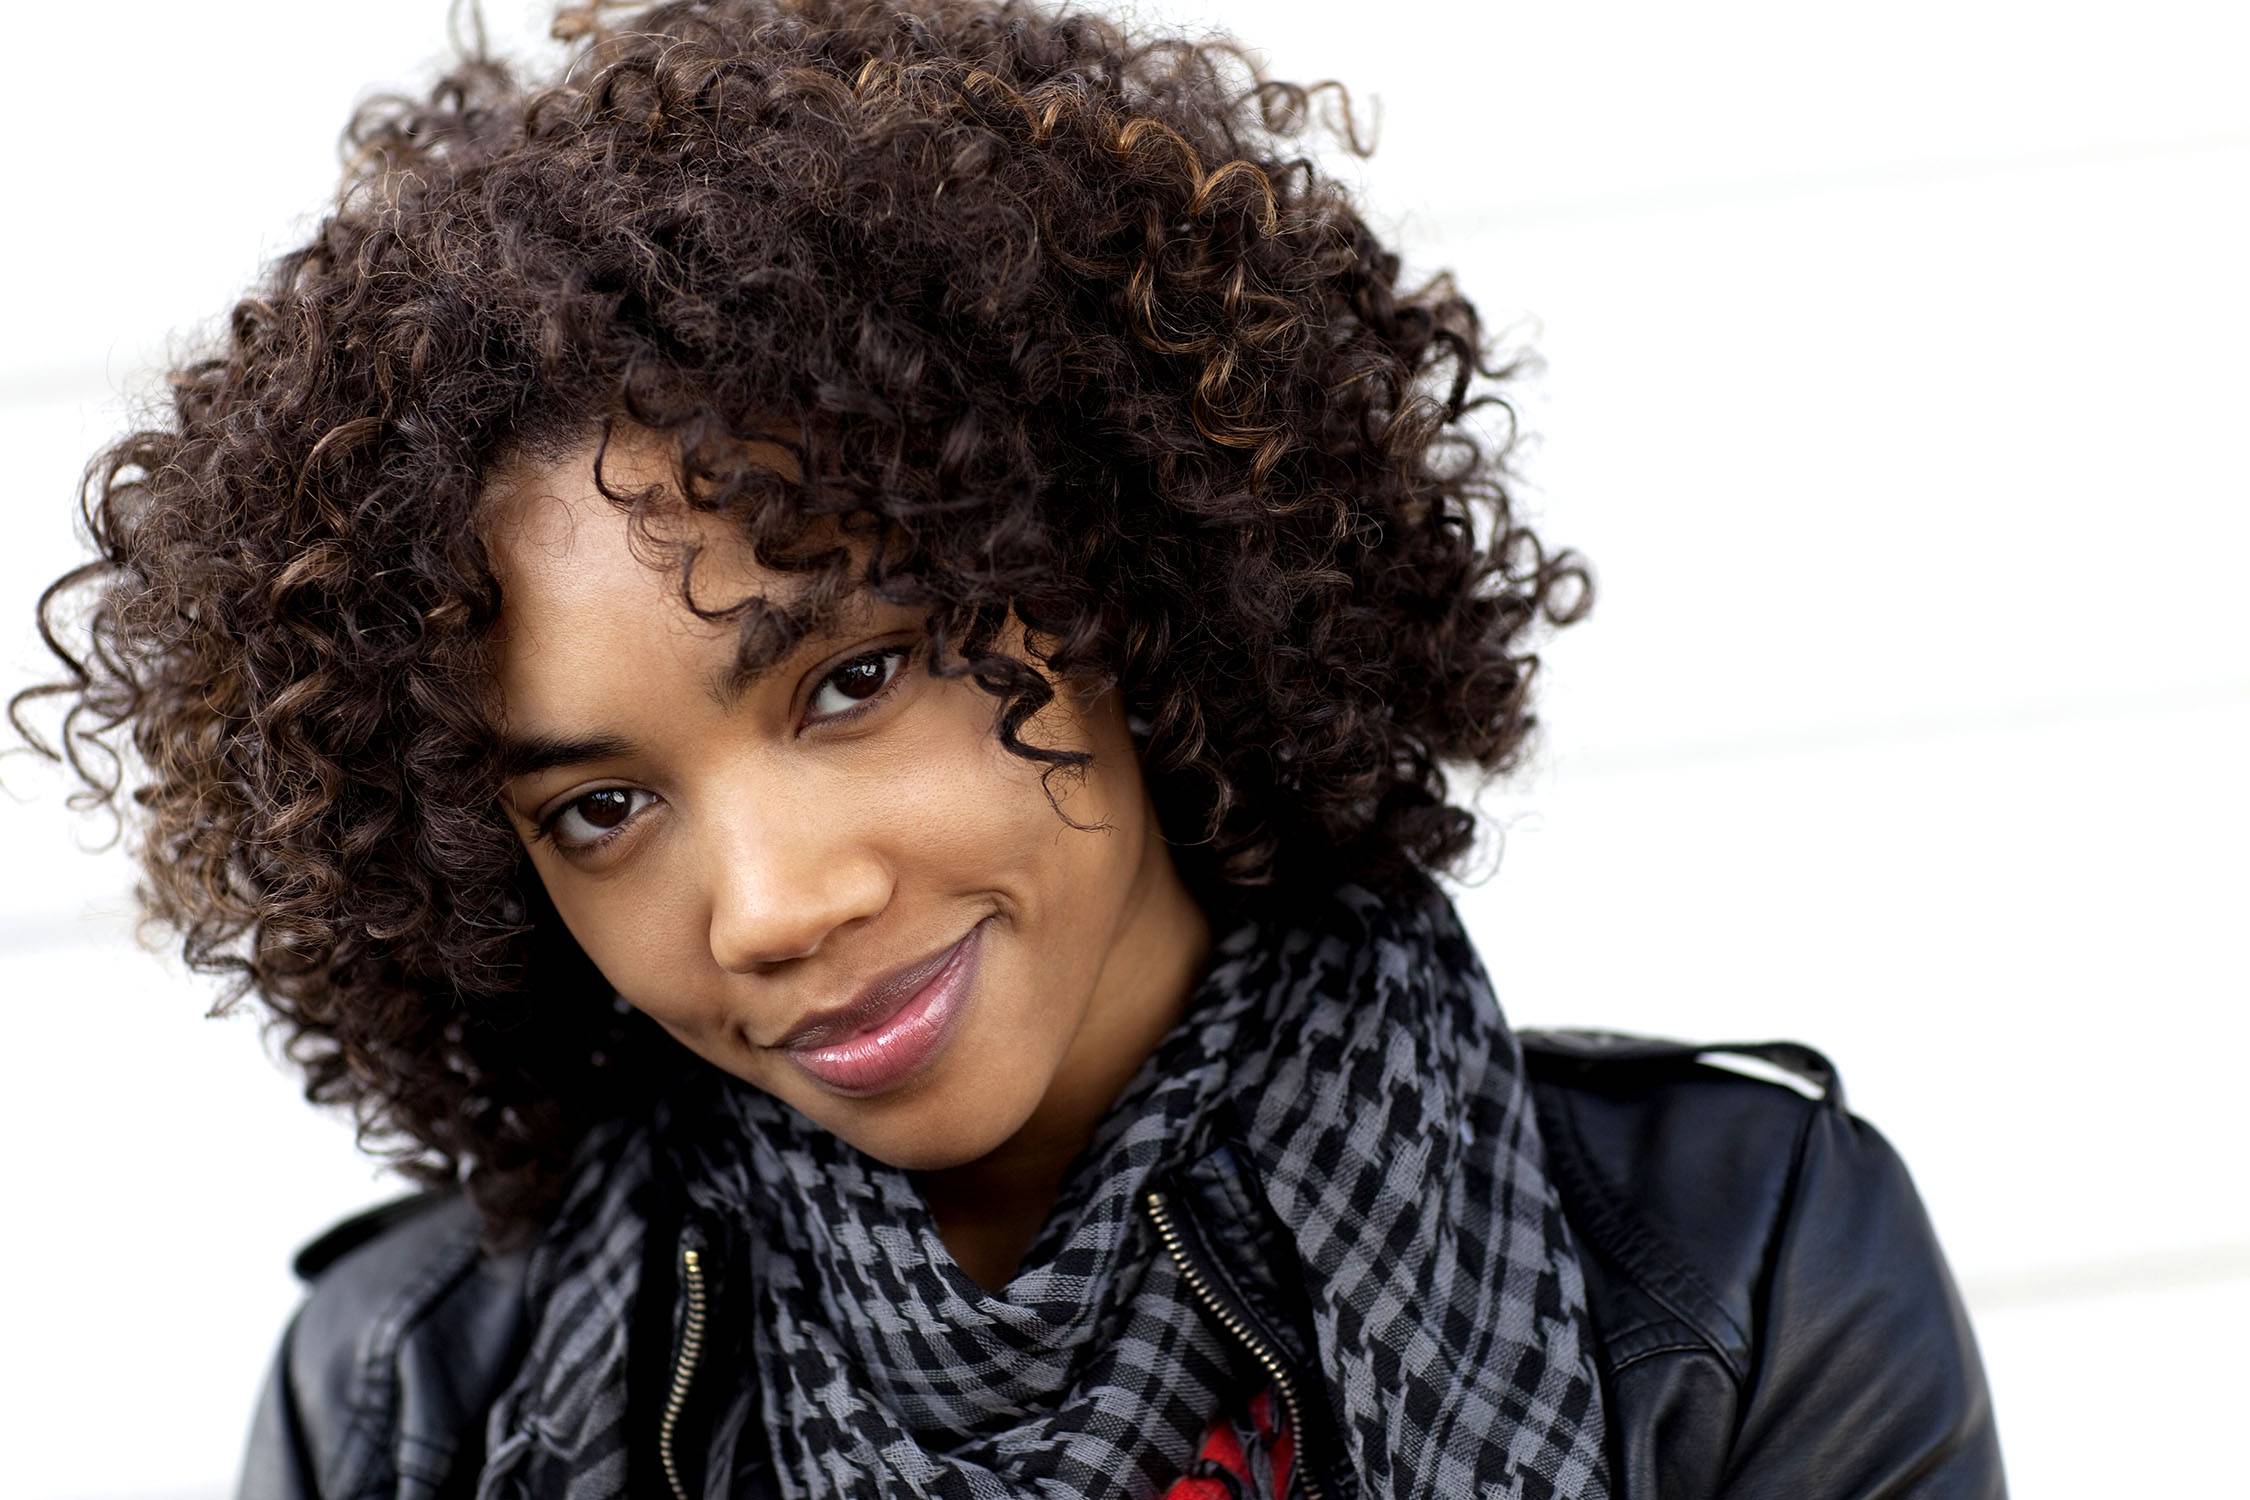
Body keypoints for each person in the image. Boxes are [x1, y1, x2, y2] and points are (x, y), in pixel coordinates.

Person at [11, 1, 2006, 1495]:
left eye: (854, 680)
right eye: (605, 808)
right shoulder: (408, 1398)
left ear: (1125, 576)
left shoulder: (1734, 1278)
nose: (776, 904)